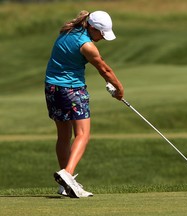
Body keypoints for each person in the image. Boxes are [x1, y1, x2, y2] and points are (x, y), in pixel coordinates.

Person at [44, 10, 124, 198]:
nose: (103, 38)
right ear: (93, 28)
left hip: (52, 89)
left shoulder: (68, 32)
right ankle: (67, 174)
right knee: (83, 134)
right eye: (102, 34)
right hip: (72, 90)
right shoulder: (87, 45)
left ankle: (66, 186)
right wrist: (119, 89)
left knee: (63, 136)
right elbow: (104, 69)